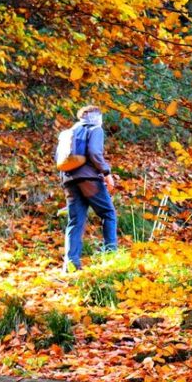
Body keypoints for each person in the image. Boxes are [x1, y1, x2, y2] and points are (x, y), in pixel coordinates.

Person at [61, 105, 117, 271]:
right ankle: (111, 255)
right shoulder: (95, 129)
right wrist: (106, 173)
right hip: (89, 180)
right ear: (97, 117)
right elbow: (94, 152)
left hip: (69, 180)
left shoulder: (70, 132)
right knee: (108, 213)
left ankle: (70, 265)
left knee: (75, 221)